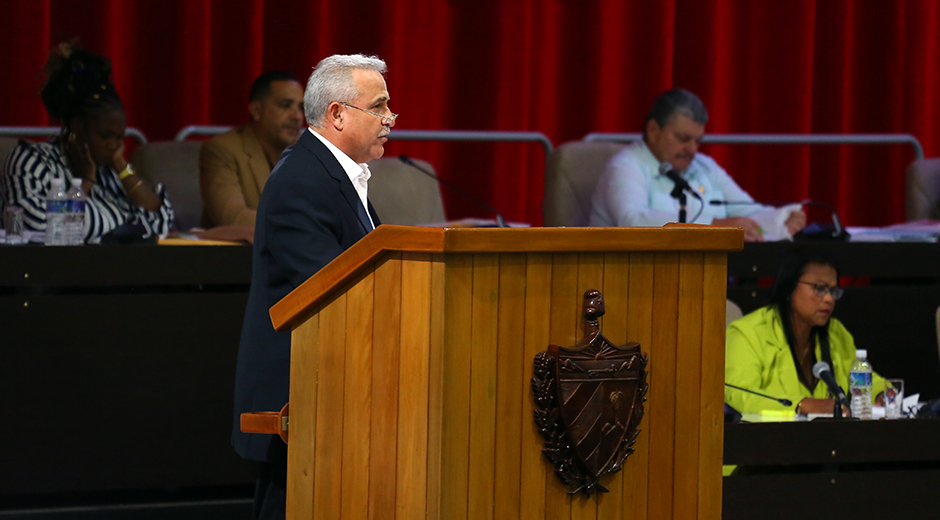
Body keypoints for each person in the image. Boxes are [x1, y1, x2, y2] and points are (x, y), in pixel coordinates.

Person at [232, 54, 394, 519]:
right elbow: (332, 285)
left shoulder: (333, 175)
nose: (390, 119)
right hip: (300, 404)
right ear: (338, 113)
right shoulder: (302, 180)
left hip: (339, 401)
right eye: (379, 106)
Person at [0, 42, 173, 243]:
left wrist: (122, 168)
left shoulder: (111, 171)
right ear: (77, 127)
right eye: (105, 135)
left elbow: (162, 223)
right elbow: (40, 226)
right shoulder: (31, 161)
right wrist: (86, 183)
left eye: (119, 137)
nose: (115, 146)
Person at [589, 89, 806, 241]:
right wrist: (714, 226)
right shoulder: (625, 167)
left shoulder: (705, 167)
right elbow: (633, 221)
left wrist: (781, 219)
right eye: (683, 139)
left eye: (697, 141)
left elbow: (748, 211)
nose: (692, 149)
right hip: (629, 285)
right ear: (654, 131)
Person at [725, 250, 885, 415]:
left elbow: (862, 377)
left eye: (833, 291)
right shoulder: (747, 333)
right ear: (789, 287)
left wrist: (881, 393)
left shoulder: (835, 332)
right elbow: (740, 394)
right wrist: (801, 405)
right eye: (820, 288)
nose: (829, 299)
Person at [199, 71, 305, 228]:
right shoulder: (222, 150)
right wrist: (303, 229)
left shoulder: (309, 152)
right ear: (256, 110)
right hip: (243, 251)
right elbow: (232, 217)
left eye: (301, 107)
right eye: (286, 105)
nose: (297, 116)